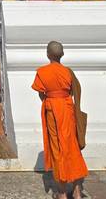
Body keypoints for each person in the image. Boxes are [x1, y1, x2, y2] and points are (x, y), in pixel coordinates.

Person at [32, 41, 88, 199]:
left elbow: (41, 94)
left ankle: (62, 192)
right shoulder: (68, 72)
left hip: (52, 111)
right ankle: (77, 191)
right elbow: (74, 91)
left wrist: (52, 98)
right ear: (62, 54)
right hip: (67, 109)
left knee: (57, 149)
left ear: (47, 54)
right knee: (72, 147)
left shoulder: (42, 72)